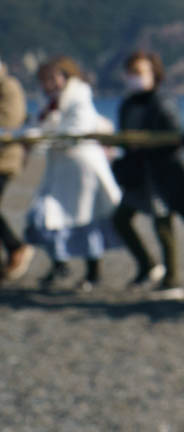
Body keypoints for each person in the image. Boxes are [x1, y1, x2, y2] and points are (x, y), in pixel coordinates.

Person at [23, 57, 120, 289]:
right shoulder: (51, 103)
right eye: (45, 79)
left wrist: (44, 138)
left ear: (66, 76)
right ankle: (60, 263)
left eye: (53, 77)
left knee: (85, 219)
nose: (49, 83)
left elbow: (76, 131)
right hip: (60, 170)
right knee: (44, 216)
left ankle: (92, 273)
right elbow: (43, 130)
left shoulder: (79, 97)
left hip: (82, 169)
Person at [110, 51, 184, 298]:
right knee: (121, 219)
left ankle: (172, 279)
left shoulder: (163, 101)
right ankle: (147, 265)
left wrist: (147, 144)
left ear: (154, 73)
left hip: (159, 172)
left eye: (139, 72)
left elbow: (174, 136)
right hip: (137, 173)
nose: (133, 78)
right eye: (131, 73)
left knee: (163, 224)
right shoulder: (128, 103)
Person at [0, 58, 33, 281]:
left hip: (5, 160)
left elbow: (11, 120)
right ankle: (14, 248)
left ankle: (16, 247)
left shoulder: (9, 86)